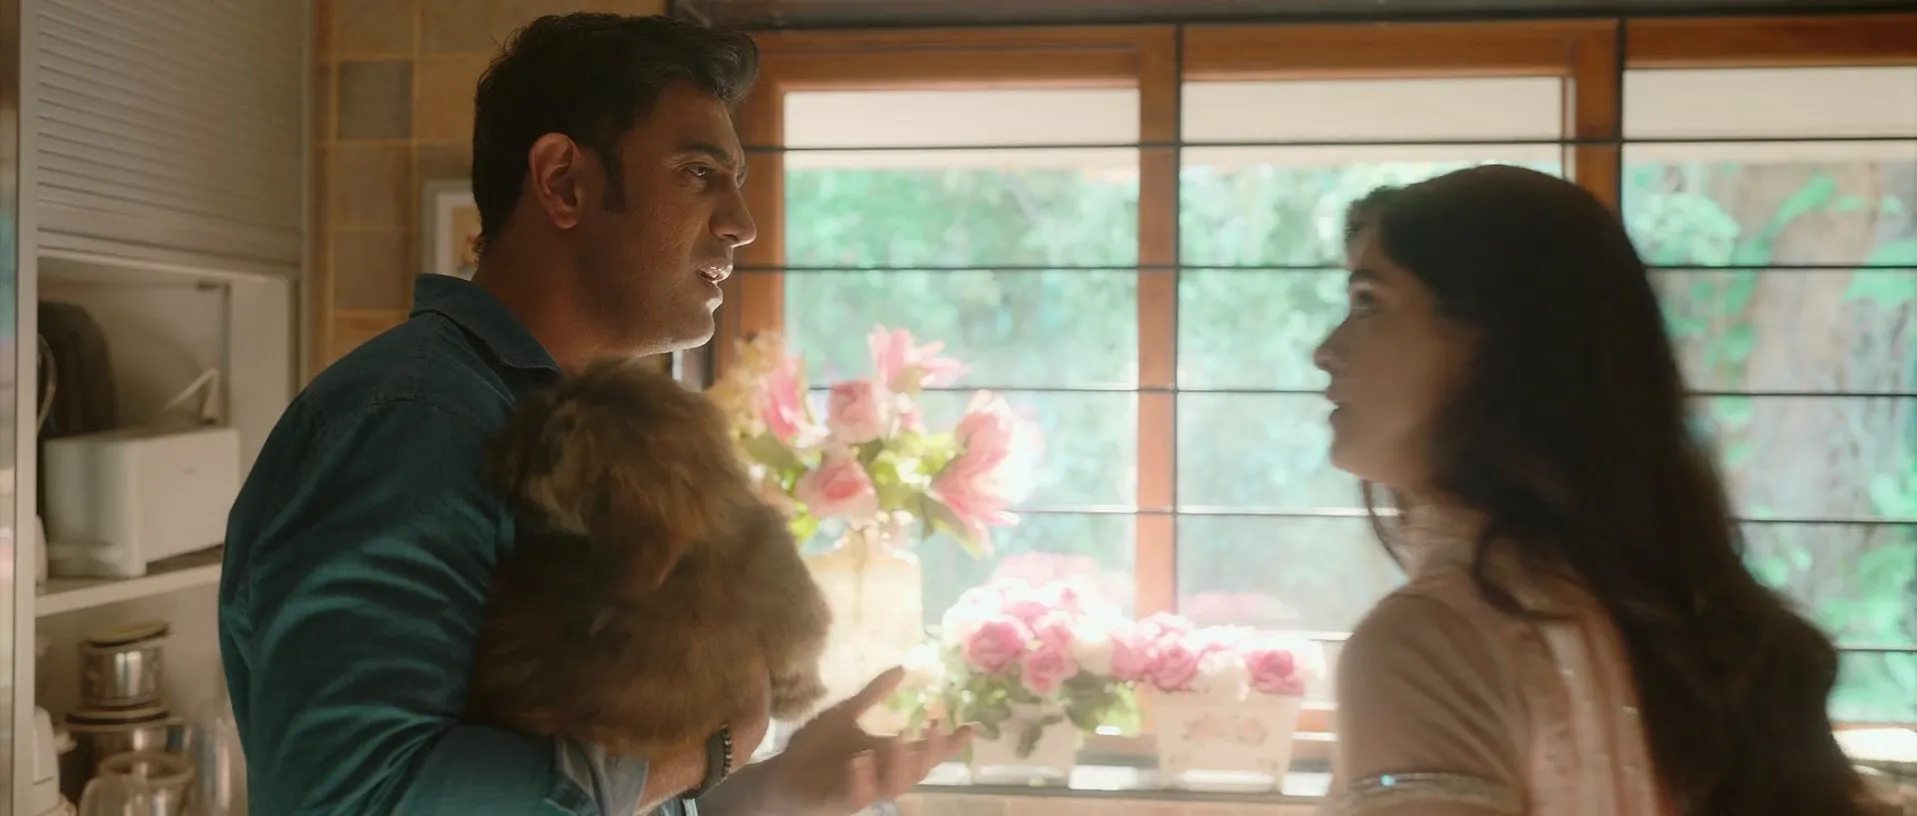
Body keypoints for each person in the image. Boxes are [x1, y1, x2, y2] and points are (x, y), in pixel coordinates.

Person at [219, 13, 968, 815]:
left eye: (736, 183)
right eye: (697, 173)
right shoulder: (417, 424)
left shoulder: (577, 430)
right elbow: (350, 797)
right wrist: (696, 757)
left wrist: (775, 789)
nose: (740, 224)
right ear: (563, 183)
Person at [1313, 165, 1886, 815]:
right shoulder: (1678, 621)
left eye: (1368, 303)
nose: (1326, 351)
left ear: (1494, 338)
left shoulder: (1430, 641)